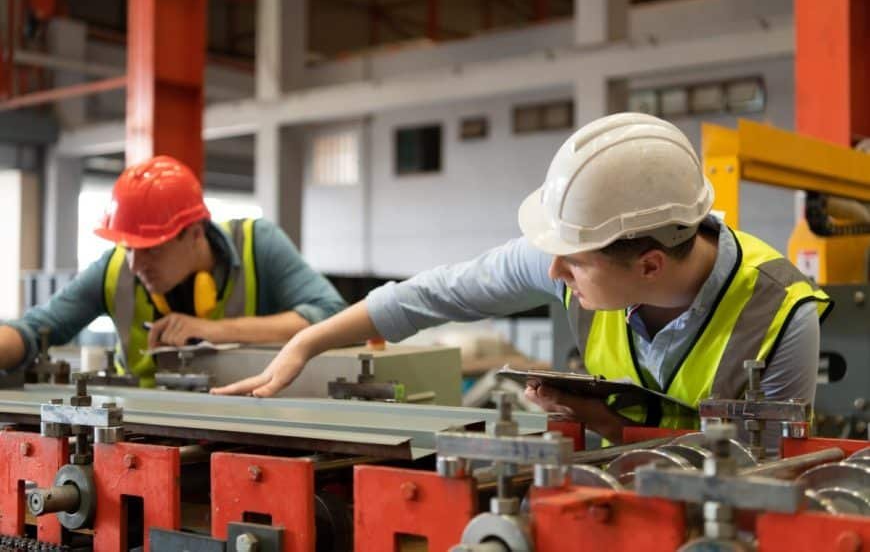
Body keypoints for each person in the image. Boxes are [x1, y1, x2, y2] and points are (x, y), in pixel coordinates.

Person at [212, 113, 830, 443]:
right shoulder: (580, 253)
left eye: (573, 262)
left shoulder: (779, 317)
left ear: (649, 264)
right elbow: (435, 294)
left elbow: (763, 475)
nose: (553, 273)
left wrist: (611, 430)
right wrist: (309, 342)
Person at [0, 156, 346, 387]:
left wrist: (215, 331)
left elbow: (331, 316)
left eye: (150, 248)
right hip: (136, 432)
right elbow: (36, 330)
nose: (136, 265)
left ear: (195, 233)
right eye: (129, 248)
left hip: (248, 424)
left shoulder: (259, 245)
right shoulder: (115, 269)